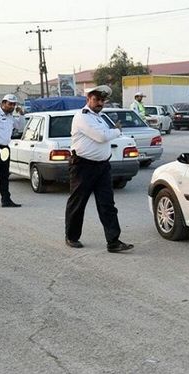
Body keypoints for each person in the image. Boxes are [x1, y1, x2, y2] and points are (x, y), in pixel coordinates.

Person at [64, 85, 133, 253]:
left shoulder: (100, 117)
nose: (99, 103)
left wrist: (112, 131)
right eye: (96, 99)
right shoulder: (82, 116)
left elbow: (105, 135)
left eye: (102, 100)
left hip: (102, 166)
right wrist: (116, 131)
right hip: (83, 166)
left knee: (107, 205)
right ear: (88, 99)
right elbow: (101, 136)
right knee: (78, 203)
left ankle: (113, 241)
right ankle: (71, 237)